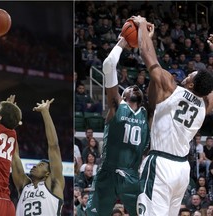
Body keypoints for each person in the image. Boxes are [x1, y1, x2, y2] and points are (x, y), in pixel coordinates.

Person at [131, 15, 213, 216]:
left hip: (161, 163)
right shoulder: (205, 105)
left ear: (191, 84)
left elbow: (147, 56)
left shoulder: (172, 88)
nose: (189, 73)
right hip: (182, 169)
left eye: (192, 74)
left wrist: (142, 27)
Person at [85, 34, 150, 216]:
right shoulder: (116, 107)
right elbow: (108, 65)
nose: (134, 87)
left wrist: (146, 41)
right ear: (122, 96)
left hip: (132, 175)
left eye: (136, 87)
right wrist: (122, 41)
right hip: (109, 172)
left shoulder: (147, 115)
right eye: (128, 87)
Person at [12, 99, 65, 216]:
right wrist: (10, 121)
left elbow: (54, 146)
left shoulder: (53, 183)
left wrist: (45, 112)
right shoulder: (24, 186)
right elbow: (14, 156)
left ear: (47, 174)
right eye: (36, 164)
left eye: (41, 165)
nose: (35, 166)